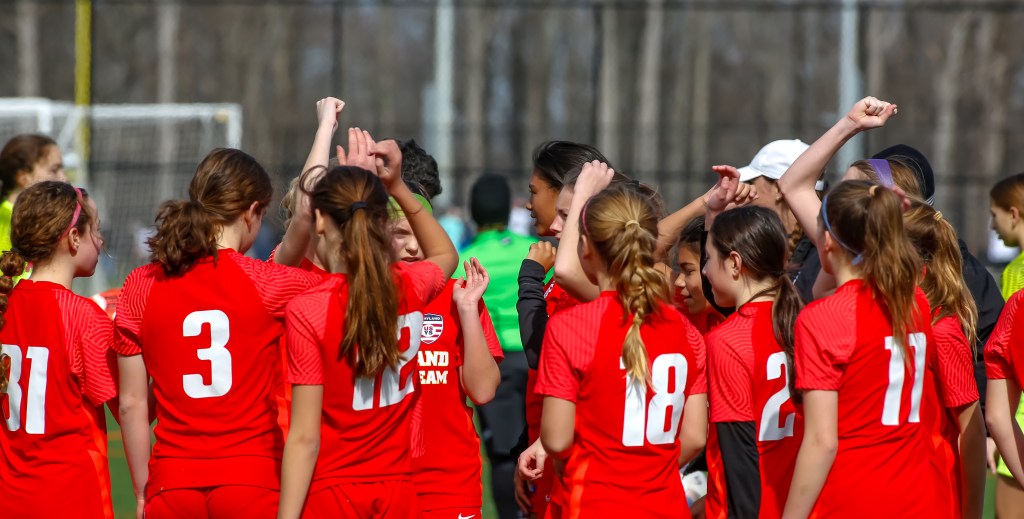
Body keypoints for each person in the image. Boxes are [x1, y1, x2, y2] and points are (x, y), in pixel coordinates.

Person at [115, 148, 325, 519]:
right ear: (251, 212)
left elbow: (131, 405)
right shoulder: (265, 283)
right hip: (251, 480)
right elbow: (337, 285)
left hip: (172, 484)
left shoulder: (141, 284)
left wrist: (143, 492)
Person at [278, 160, 459, 518]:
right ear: (381, 222)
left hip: (334, 493)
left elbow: (304, 438)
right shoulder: (409, 287)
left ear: (319, 220)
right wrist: (399, 186)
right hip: (398, 493)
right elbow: (445, 254)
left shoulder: (309, 309)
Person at [536, 181, 707, 517]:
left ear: (586, 246)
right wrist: (645, 469)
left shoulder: (571, 326)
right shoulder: (686, 331)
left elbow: (556, 439)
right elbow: (695, 437)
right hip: (665, 505)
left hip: (595, 503)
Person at [783, 180, 951, 518]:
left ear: (827, 241)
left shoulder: (823, 318)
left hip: (855, 496)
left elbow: (822, 442)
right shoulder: (914, 301)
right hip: (919, 495)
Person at [389, 175, 504, 518]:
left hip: (448, 482)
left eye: (421, 233)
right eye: (401, 234)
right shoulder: (361, 296)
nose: (414, 247)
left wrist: (467, 310)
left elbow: (483, 391)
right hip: (381, 480)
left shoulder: (459, 294)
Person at [0, 181, 116, 518]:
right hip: (72, 497)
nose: (101, 240)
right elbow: (131, 405)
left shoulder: (6, 306)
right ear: (74, 237)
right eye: (95, 229)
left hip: (11, 499)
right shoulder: (82, 316)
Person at [516, 141, 611, 518]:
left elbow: (541, 354)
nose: (529, 204)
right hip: (545, 450)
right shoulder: (563, 271)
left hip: (571, 464)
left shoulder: (583, 277)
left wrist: (529, 282)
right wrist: (528, 442)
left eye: (534, 191)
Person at [701, 205, 803, 519]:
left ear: (734, 263)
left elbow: (739, 451)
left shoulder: (728, 339)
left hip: (749, 508)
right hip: (798, 504)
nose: (705, 271)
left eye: (708, 259)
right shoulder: (802, 323)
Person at [454, 173, 536, 519]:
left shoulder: (465, 258)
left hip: (497, 361)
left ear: (473, 211)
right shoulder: (531, 249)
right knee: (538, 441)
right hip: (535, 358)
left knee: (503, 452)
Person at [903, 200, 986, 519]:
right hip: (900, 487)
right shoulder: (898, 320)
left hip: (934, 494)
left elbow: (972, 431)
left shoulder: (942, 329)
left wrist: (971, 512)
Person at [674, 216, 724, 335]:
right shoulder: (690, 309)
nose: (678, 282)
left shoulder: (753, 332)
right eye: (680, 270)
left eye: (689, 271)